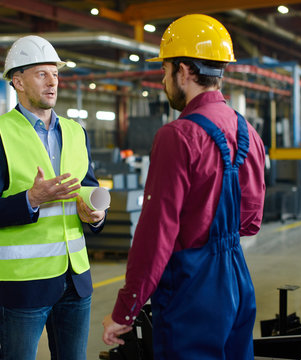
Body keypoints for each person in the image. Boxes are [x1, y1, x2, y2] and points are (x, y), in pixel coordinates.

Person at [102, 14, 266, 359]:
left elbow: (155, 233)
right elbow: (250, 221)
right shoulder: (247, 132)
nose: (163, 80)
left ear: (184, 70)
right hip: (237, 281)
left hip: (192, 290)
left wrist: (126, 309)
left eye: (165, 70)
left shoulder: (177, 136)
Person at [0, 35, 106, 360]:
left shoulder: (76, 132)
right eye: (41, 74)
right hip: (25, 284)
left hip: (76, 281)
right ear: (17, 81)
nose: (52, 82)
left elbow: (86, 186)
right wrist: (30, 199)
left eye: (55, 74)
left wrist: (95, 215)